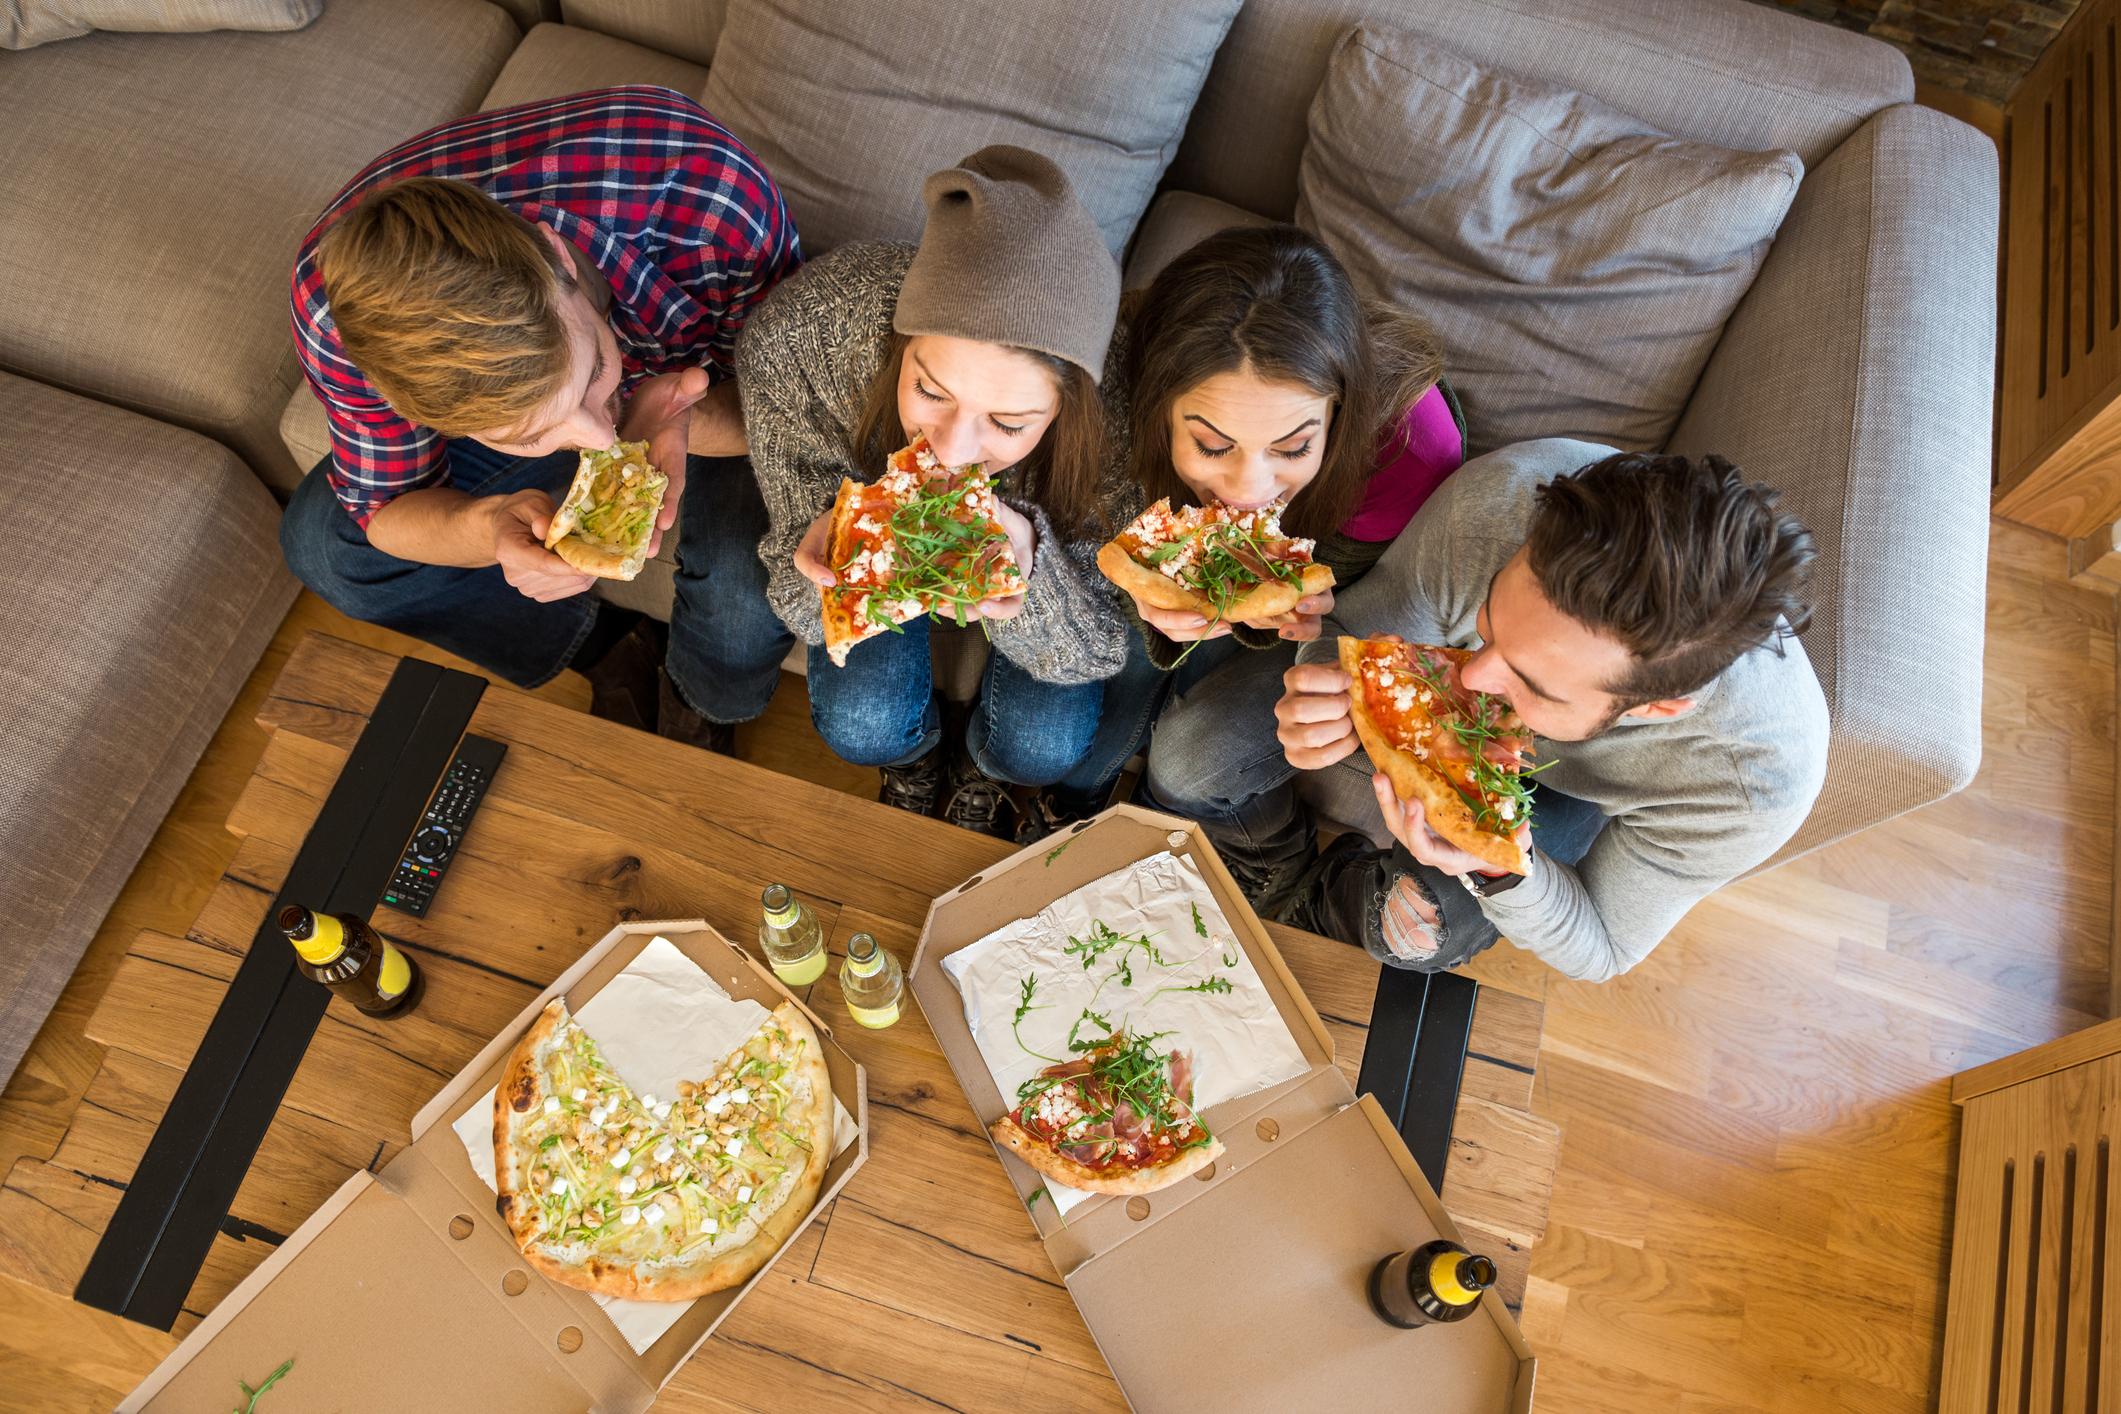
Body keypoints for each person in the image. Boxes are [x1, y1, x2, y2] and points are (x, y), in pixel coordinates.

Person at [281, 86, 802, 750]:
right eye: (533, 435)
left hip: (712, 378)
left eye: (590, 376)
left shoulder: (712, 196)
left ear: (556, 257)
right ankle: (610, 649)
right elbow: (385, 506)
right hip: (638, 380)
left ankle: (700, 698)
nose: (597, 442)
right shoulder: (339, 322)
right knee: (323, 545)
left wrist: (677, 418)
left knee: (741, 603)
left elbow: (796, 400)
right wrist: (486, 527)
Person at [1252, 441, 1828, 982]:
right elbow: (1349, 630)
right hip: (1415, 696)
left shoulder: (1751, 786)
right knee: (1189, 759)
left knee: (1416, 927)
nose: (1477, 673)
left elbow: (1603, 945)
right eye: (1491, 619)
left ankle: (1313, 907)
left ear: (1655, 707)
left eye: (1534, 684)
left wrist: (1497, 866)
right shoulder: (1499, 504)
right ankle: (1268, 874)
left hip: (1573, 798)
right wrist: (1325, 681)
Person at [735, 145, 1129, 837]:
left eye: (1008, 423)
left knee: (1042, 747)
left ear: (1069, 409)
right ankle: (916, 762)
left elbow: (1093, 650)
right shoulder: (801, 336)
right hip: (871, 558)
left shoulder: (1125, 418)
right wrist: (834, 565)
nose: (950, 450)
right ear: (899, 344)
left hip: (1052, 596)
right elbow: (796, 604)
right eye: (928, 390)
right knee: (861, 726)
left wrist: (1030, 558)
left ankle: (985, 772)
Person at [1043, 224, 1465, 850]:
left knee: (1186, 763)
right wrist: (1157, 595)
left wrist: (1312, 618)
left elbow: (1392, 614)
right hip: (1190, 563)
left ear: (1340, 415)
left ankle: (1269, 855)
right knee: (1083, 736)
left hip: (1345, 605)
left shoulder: (1412, 447)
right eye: (1212, 445)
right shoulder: (1112, 384)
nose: (1248, 485)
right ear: (1158, 408)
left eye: (1293, 447)